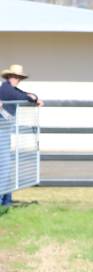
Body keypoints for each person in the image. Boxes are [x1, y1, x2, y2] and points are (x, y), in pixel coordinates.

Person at [1, 64, 43, 208]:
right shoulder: (7, 90)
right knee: (4, 165)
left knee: (5, 165)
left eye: (18, 77)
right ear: (9, 77)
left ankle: (6, 201)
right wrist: (33, 98)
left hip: (4, 130)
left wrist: (34, 97)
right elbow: (24, 97)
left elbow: (27, 95)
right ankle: (3, 201)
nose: (17, 79)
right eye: (15, 76)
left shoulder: (10, 88)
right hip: (2, 131)